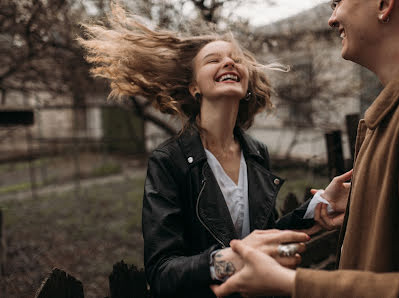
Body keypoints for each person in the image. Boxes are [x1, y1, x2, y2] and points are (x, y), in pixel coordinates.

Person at [78, 4, 352, 298]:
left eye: (236, 59)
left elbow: (262, 237)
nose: (229, 63)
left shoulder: (256, 152)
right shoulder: (169, 161)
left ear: (246, 84)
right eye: (213, 59)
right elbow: (162, 273)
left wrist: (319, 206)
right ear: (195, 87)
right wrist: (226, 263)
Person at [211, 0, 399, 297]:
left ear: (384, 4)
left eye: (338, 2)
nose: (331, 19)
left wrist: (291, 284)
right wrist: (368, 206)